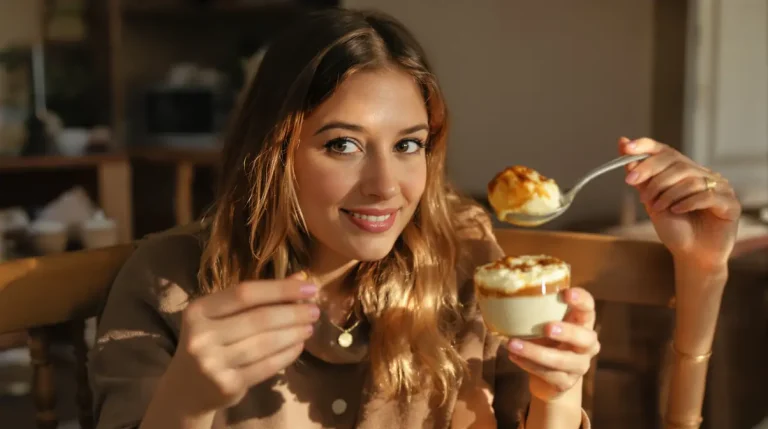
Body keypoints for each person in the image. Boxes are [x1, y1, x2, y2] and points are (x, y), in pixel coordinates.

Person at [88, 8, 741, 429]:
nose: (385, 187)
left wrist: (557, 395)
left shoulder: (467, 261)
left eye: (408, 144)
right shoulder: (170, 282)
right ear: (274, 151)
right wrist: (188, 402)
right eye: (341, 144)